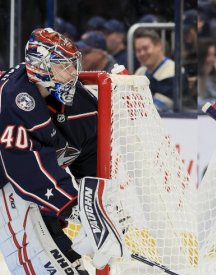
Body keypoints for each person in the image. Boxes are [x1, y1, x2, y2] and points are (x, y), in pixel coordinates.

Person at [0, 28, 125, 274]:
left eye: (72, 64)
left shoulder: (82, 104)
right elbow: (25, 171)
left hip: (22, 185)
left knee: (63, 257)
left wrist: (100, 208)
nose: (72, 73)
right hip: (8, 181)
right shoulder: (14, 99)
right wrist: (75, 208)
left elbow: (89, 156)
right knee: (37, 253)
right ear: (40, 66)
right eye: (63, 66)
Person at [134, 29, 175, 112]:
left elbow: (158, 108)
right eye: (138, 50)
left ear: (158, 46)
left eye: (145, 48)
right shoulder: (140, 72)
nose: (142, 53)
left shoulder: (174, 71)